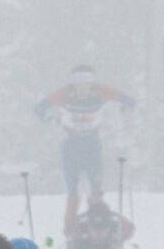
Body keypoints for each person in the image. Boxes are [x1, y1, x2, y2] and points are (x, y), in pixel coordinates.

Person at [34, 65, 135, 233]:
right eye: (78, 83)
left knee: (95, 192)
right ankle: (70, 232)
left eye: (87, 82)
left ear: (92, 82)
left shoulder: (101, 91)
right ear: (73, 83)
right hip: (71, 145)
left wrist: (124, 110)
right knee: (72, 193)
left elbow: (129, 101)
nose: (83, 87)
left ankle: (97, 229)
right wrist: (50, 119)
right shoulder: (65, 93)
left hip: (92, 145)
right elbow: (39, 108)